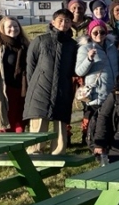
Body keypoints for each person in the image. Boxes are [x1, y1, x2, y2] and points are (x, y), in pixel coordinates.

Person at [23, 9, 78, 154]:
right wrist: (34, 85)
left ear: (71, 24)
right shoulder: (41, 41)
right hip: (40, 89)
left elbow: (74, 68)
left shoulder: (72, 45)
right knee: (39, 126)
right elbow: (30, 65)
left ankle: (58, 156)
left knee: (61, 126)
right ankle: (35, 155)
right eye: (60, 20)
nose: (64, 23)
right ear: (53, 22)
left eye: (67, 21)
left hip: (62, 89)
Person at [75, 19, 119, 149]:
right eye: (95, 32)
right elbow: (79, 71)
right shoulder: (85, 48)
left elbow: (117, 67)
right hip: (97, 93)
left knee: (112, 122)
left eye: (102, 32)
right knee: (98, 124)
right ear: (90, 33)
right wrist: (89, 59)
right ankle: (96, 148)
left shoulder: (112, 47)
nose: (99, 35)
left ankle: (111, 148)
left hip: (113, 91)